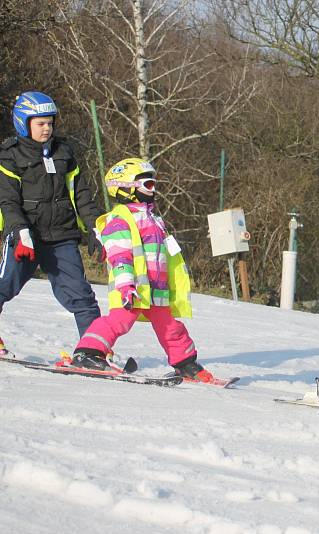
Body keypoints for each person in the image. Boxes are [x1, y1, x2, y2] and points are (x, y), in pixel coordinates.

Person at [68, 158, 213, 382]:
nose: (154, 190)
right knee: (119, 322)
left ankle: (186, 364)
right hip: (133, 288)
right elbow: (120, 254)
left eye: (154, 184)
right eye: (148, 185)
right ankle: (87, 353)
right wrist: (126, 285)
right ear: (126, 189)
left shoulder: (153, 218)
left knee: (170, 326)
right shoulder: (120, 220)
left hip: (156, 289)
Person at [0, 91, 104, 343]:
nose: (47, 129)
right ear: (23, 123)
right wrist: (20, 232)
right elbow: (8, 201)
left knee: (82, 296)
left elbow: (81, 196)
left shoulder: (64, 153)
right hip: (26, 237)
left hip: (61, 237)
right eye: (40, 124)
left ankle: (93, 350)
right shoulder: (11, 156)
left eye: (50, 123)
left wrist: (96, 229)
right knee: (4, 287)